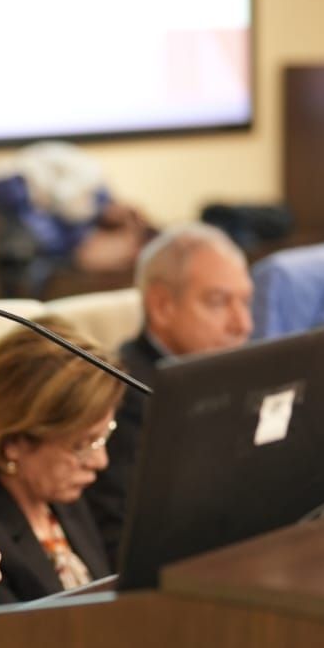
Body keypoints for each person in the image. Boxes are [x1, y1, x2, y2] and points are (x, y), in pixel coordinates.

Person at [85, 223, 254, 562]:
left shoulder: (237, 373)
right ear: (162, 305)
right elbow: (123, 541)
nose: (243, 324)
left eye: (245, 302)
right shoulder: (121, 395)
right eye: (219, 302)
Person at [0, 322, 123, 601]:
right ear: (13, 443)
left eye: (103, 437)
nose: (100, 461)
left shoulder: (62, 499)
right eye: (82, 445)